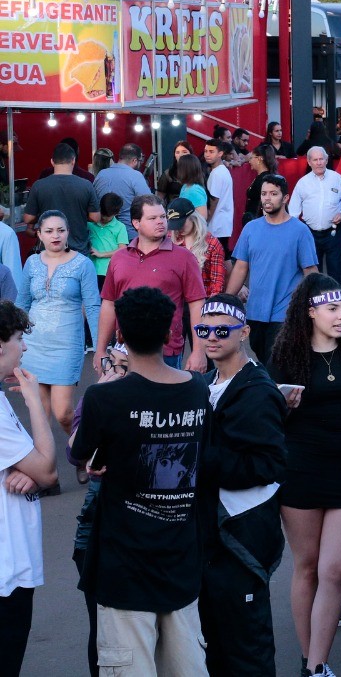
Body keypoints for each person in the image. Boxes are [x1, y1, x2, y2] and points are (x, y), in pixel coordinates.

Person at [70, 287, 213, 677]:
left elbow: (79, 452)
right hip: (181, 558)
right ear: (170, 333)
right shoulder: (197, 390)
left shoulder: (105, 398)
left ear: (122, 334)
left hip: (124, 563)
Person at [269, 275, 341, 677]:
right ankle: (307, 657)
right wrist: (282, 405)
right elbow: (270, 416)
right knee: (307, 565)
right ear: (310, 311)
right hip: (299, 469)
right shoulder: (285, 354)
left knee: (335, 570)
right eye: (332, 309)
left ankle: (318, 665)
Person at [195, 293, 288, 676]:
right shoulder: (202, 385)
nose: (211, 337)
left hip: (241, 538)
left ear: (244, 331)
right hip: (210, 541)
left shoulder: (258, 391)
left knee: (247, 651)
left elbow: (268, 465)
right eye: (203, 329)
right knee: (215, 647)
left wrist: (198, 459)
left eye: (222, 329)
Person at [0, 301, 55, 677]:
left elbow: (36, 467)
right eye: (19, 338)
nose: (24, 347)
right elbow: (48, 467)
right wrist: (35, 399)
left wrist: (32, 471)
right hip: (7, 570)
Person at [95, 195, 208, 373]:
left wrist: (199, 351)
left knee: (164, 401)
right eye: (152, 218)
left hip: (166, 350)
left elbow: (197, 306)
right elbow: (109, 304)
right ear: (136, 223)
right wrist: (100, 350)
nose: (161, 222)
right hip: (124, 352)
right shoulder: (119, 258)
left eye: (163, 217)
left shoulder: (184, 257)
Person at [16, 210, 100, 436]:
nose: (56, 235)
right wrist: (10, 340)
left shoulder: (83, 264)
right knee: (40, 414)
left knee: (63, 412)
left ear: (68, 233)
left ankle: (84, 449)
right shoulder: (32, 262)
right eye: (49, 231)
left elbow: (93, 306)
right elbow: (21, 303)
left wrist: (101, 348)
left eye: (61, 230)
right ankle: (45, 468)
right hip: (33, 346)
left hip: (66, 345)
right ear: (40, 235)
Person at [225, 175, 320, 364]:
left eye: (273, 194)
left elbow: (311, 272)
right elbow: (240, 268)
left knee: (276, 363)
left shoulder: (300, 231)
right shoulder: (251, 229)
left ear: (285, 198)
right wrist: (226, 301)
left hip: (285, 312)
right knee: (262, 355)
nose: (267, 198)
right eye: (264, 194)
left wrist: (316, 308)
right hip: (256, 312)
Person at [23, 142, 100, 255]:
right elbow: (95, 217)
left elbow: (28, 219)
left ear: (52, 162)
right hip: (78, 249)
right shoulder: (86, 185)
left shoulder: (39, 186)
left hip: (48, 249)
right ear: (73, 160)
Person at [289, 147, 341, 280]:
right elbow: (293, 210)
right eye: (315, 160)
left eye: (321, 159)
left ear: (327, 160)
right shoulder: (302, 183)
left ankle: (336, 300)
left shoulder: (338, 179)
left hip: (333, 232)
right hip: (310, 234)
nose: (319, 163)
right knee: (313, 272)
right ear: (309, 162)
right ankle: (314, 300)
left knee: (335, 271)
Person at [92, 144, 152, 241]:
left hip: (103, 235)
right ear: (135, 160)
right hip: (129, 234)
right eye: (140, 161)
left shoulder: (101, 174)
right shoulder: (135, 176)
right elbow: (149, 202)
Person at [169, 201, 226, 298]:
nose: (178, 228)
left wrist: (209, 309)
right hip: (175, 299)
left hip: (202, 299)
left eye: (181, 223)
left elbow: (217, 283)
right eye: (175, 225)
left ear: (193, 218)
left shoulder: (212, 243)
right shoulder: (169, 239)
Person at [88, 192, 129, 287]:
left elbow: (122, 249)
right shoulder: (90, 223)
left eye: (107, 216)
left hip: (109, 270)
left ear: (117, 213)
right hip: (90, 269)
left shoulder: (120, 227)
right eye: (102, 214)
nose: (103, 218)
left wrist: (101, 254)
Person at [204, 140, 236, 252]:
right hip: (222, 223)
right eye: (206, 151)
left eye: (211, 151)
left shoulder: (217, 173)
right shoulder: (222, 171)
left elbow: (214, 200)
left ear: (220, 153)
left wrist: (205, 220)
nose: (207, 154)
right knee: (224, 256)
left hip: (216, 225)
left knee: (219, 258)